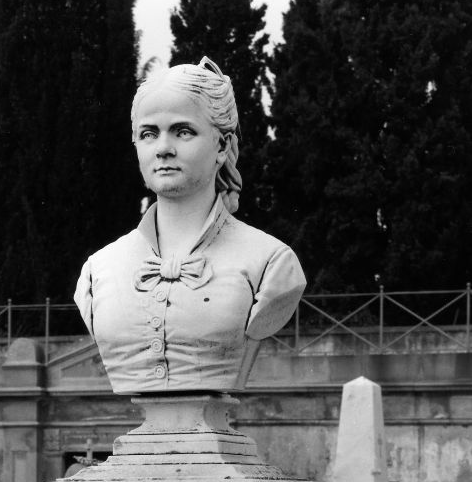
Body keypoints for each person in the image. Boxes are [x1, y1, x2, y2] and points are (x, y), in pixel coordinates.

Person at [75, 58, 305, 395]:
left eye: (183, 131)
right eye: (149, 133)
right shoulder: (99, 269)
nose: (164, 148)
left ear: (223, 146)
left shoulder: (271, 262)